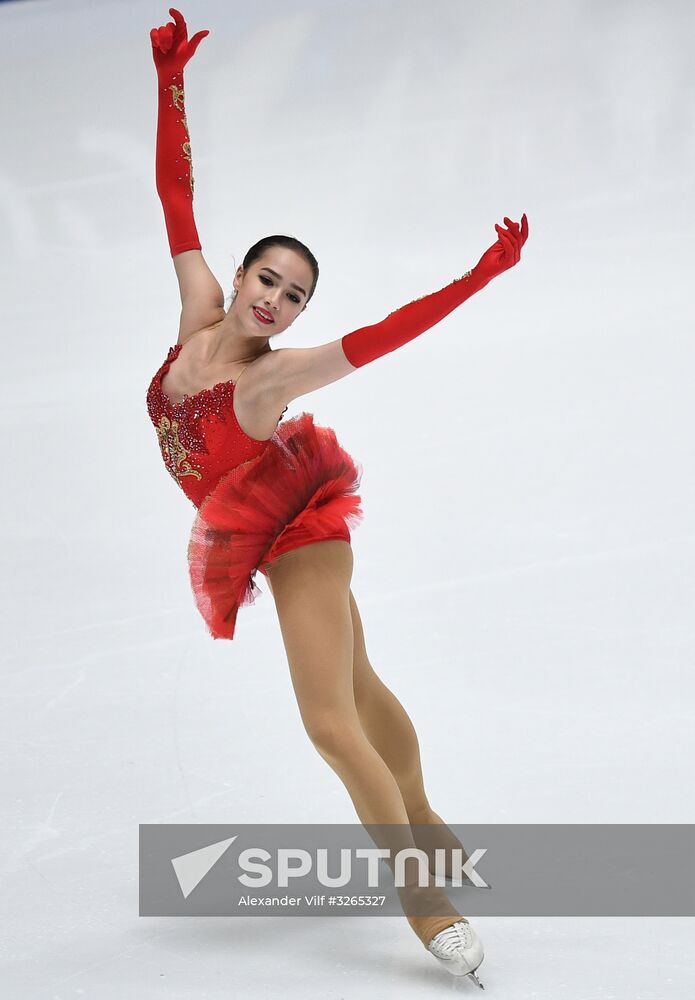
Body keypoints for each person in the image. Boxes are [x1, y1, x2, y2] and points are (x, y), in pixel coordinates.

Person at [147, 7, 528, 986]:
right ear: (236, 277)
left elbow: (384, 335)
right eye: (266, 280)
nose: (273, 301)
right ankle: (429, 818)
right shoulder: (195, 320)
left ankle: (422, 901)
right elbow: (174, 194)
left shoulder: (266, 382)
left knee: (326, 719)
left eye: (293, 296)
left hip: (297, 541)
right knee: (357, 691)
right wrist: (169, 78)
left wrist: (476, 276)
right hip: (255, 526)